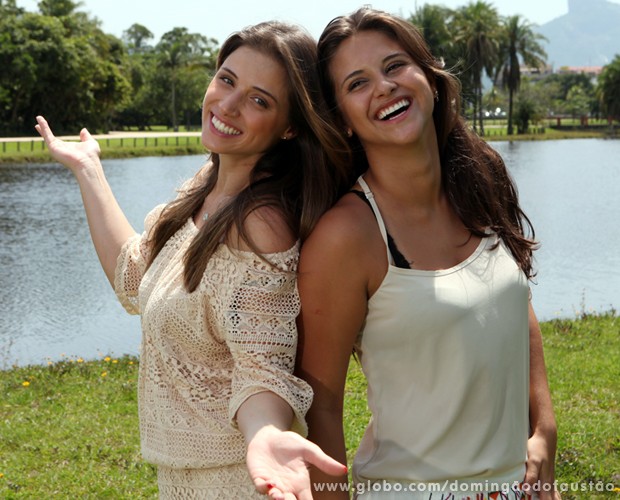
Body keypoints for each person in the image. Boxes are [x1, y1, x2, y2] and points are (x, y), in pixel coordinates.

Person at [35, 20, 349, 499]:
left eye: (259, 99)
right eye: (227, 79)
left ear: (289, 127)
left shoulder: (260, 225)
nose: (227, 104)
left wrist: (264, 433)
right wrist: (89, 170)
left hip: (234, 482)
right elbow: (134, 279)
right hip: (183, 480)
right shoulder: (205, 188)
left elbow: (262, 367)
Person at [296, 7, 560, 499]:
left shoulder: (480, 177)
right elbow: (322, 407)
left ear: (430, 79)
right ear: (344, 121)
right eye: (357, 83)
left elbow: (515, 305)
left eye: (395, 66)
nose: (384, 86)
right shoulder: (346, 237)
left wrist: (543, 430)